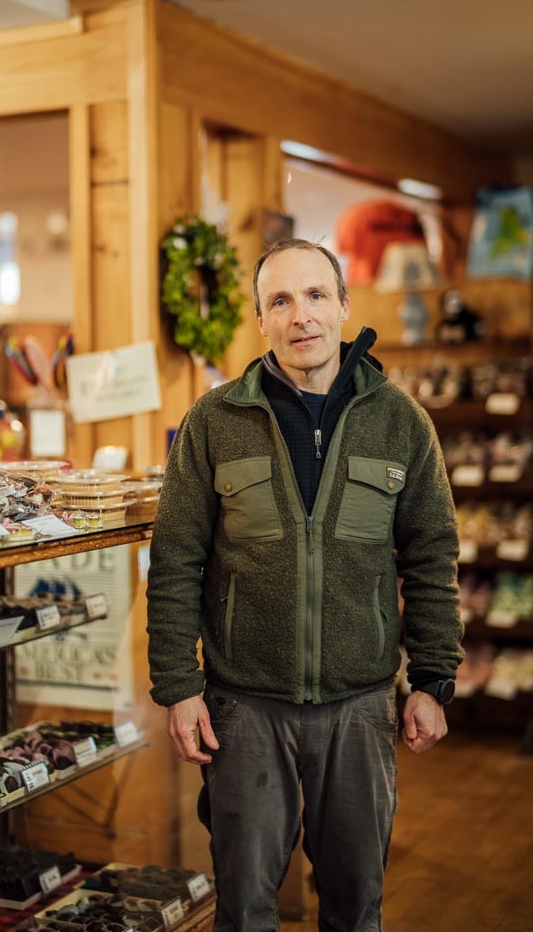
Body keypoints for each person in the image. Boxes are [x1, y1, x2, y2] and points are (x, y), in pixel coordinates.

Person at [146, 237, 464, 932]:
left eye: (317, 295)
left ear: (345, 307)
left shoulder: (402, 422)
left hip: (360, 705)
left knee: (355, 908)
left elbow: (432, 558)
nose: (302, 316)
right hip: (243, 709)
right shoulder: (214, 421)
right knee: (245, 907)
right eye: (280, 300)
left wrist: (435, 682)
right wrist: (178, 686)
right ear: (261, 320)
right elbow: (174, 560)